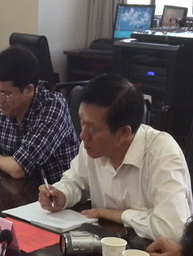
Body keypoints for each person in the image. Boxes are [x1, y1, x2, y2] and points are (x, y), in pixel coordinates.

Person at [39, 74, 192, 242]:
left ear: (123, 133)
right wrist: (62, 194)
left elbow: (173, 230)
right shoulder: (92, 146)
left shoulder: (162, 154)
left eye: (92, 128)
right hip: (104, 245)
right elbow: (76, 180)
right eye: (82, 122)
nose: (82, 135)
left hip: (149, 252)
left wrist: (118, 215)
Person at [0, 46, 77, 182]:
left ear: (29, 90)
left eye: (6, 93)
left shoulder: (52, 106)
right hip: (16, 188)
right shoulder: (2, 107)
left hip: (55, 190)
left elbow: (19, 168)